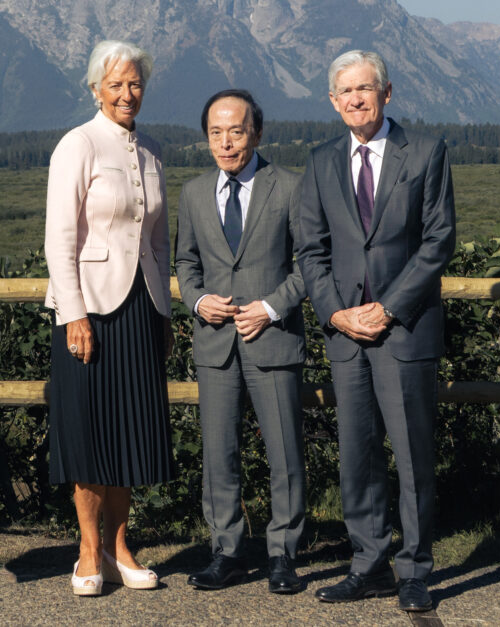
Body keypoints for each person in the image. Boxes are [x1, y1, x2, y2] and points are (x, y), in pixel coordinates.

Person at [297, 50, 456, 610]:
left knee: (412, 455)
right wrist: (335, 313)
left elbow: (438, 240)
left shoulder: (426, 151)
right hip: (346, 333)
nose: (356, 99)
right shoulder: (320, 161)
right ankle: (367, 565)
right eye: (345, 91)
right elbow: (310, 249)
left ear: (388, 93)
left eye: (365, 88)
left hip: (404, 329)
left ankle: (414, 571)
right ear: (333, 100)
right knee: (357, 454)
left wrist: (387, 309)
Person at [44, 40, 174, 596]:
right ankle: (88, 550)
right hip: (89, 309)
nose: (127, 93)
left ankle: (121, 549)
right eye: (116, 84)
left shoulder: (152, 152)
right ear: (96, 89)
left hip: (141, 307)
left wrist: (163, 312)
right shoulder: (78, 144)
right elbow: (59, 238)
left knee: (132, 432)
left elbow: (159, 242)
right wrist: (73, 314)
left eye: (135, 83)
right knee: (89, 432)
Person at [175, 90, 307, 594]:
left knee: (285, 453)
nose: (226, 142)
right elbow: (186, 262)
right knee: (218, 455)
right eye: (216, 133)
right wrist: (197, 300)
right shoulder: (193, 193)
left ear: (257, 132)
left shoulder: (290, 186)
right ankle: (226, 552)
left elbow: (309, 264)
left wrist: (271, 307)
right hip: (215, 343)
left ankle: (283, 555)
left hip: (272, 339)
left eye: (236, 131)